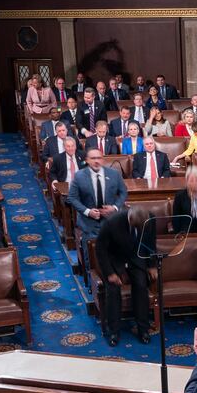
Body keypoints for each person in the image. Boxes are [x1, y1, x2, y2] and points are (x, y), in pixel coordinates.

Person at [96, 208, 152, 346]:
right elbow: (100, 249)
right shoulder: (112, 223)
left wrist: (151, 265)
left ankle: (143, 329)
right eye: (137, 226)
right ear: (131, 220)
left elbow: (151, 243)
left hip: (135, 258)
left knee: (141, 285)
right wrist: (110, 273)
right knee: (113, 290)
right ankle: (114, 331)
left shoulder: (149, 219)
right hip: (115, 260)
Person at [68, 148, 128, 245]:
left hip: (111, 221)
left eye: (99, 158)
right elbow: (72, 197)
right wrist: (87, 212)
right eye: (93, 158)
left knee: (112, 255)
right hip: (88, 224)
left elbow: (123, 192)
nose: (96, 161)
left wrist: (114, 207)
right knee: (91, 256)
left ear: (103, 160)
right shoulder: (79, 176)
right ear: (87, 160)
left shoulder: (114, 174)